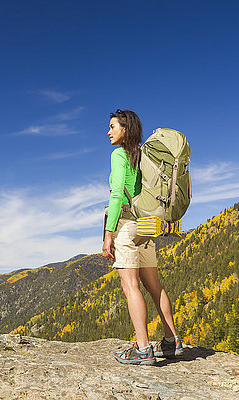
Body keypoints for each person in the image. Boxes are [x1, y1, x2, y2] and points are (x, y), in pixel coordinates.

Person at [102, 109, 183, 365]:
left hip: (127, 224)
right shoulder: (144, 155)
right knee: (154, 284)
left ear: (125, 129)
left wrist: (108, 235)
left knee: (131, 287)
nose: (109, 132)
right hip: (147, 223)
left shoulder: (119, 155)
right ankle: (171, 341)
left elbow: (116, 195)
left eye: (113, 126)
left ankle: (143, 348)